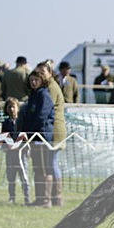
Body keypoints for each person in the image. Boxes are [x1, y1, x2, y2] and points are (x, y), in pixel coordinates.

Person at [20, 70, 55, 207]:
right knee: (37, 168)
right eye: (31, 80)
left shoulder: (44, 95)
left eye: (36, 80)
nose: (33, 82)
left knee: (43, 168)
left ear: (41, 81)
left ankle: (46, 200)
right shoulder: (33, 95)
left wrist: (32, 131)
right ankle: (39, 198)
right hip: (33, 137)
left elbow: (41, 116)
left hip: (42, 137)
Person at [36, 61, 66, 206]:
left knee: (52, 163)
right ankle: (54, 196)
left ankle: (57, 196)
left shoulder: (51, 88)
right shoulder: (48, 86)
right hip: (52, 129)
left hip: (55, 130)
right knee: (50, 163)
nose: (41, 75)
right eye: (39, 72)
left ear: (50, 72)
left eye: (43, 72)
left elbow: (47, 108)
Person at [1, 97, 30, 204]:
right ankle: (12, 197)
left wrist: (27, 150)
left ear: (18, 108)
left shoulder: (22, 122)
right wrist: (5, 147)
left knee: (24, 176)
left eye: (13, 107)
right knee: (11, 176)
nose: (11, 109)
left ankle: (27, 197)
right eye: (9, 107)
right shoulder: (5, 123)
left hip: (21, 154)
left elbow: (26, 138)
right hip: (10, 154)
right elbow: (3, 137)